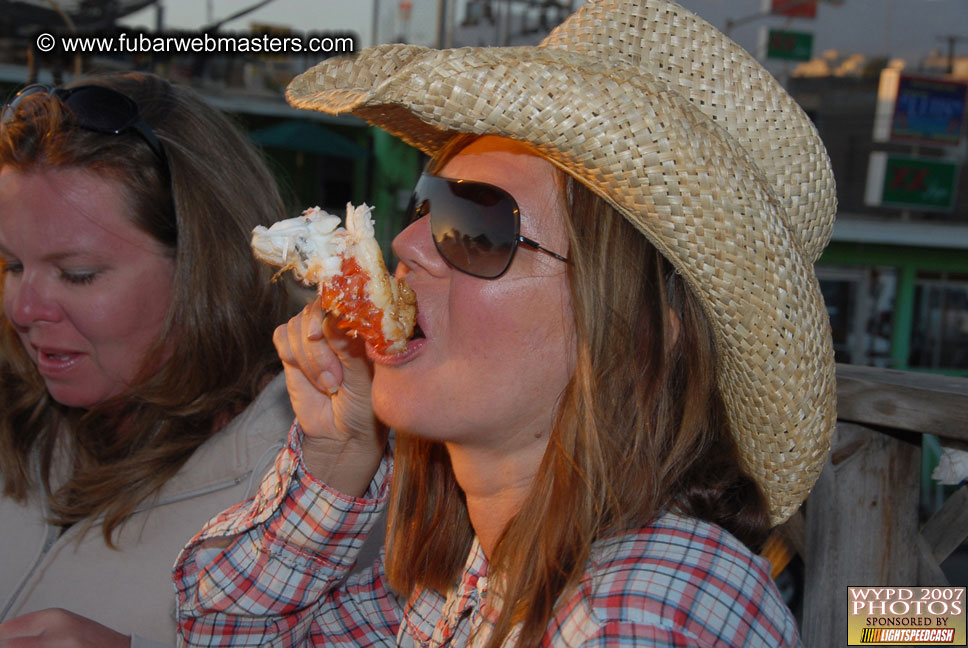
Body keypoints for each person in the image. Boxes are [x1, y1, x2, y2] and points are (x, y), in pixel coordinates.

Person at [174, 0, 839, 645]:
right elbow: (228, 631)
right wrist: (339, 454)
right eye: (426, 206)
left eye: (478, 229)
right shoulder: (468, 582)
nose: (405, 244)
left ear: (638, 339)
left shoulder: (630, 617)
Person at [0, 72, 299, 648]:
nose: (23, 308)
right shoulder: (17, 412)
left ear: (205, 271)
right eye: (12, 265)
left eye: (77, 274)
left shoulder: (322, 489)